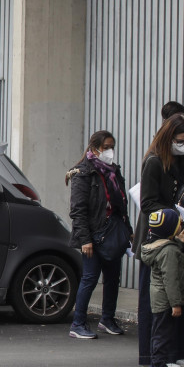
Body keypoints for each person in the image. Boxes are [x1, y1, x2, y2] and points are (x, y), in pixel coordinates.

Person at [134, 113, 184, 367]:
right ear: (168, 137)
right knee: (157, 302)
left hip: (175, 235)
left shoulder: (178, 160)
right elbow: (148, 203)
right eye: (181, 141)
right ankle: (152, 358)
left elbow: (183, 186)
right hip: (158, 237)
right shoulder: (153, 162)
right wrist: (177, 212)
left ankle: (178, 351)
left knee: (178, 294)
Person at [65, 130, 131, 340]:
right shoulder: (82, 173)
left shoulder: (113, 172)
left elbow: (121, 204)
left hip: (113, 232)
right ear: (94, 148)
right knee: (90, 279)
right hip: (94, 235)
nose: (110, 152)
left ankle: (107, 319)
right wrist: (85, 239)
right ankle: (78, 323)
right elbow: (78, 210)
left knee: (113, 278)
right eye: (106, 148)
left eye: (112, 147)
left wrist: (127, 230)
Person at [139, 209, 184, 367]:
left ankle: (158, 364)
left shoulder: (159, 246)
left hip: (160, 299)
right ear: (169, 229)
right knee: (162, 334)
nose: (180, 226)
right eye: (178, 224)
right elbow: (171, 279)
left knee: (160, 332)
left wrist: (178, 243)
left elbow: (167, 252)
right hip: (166, 301)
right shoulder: (169, 251)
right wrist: (176, 304)